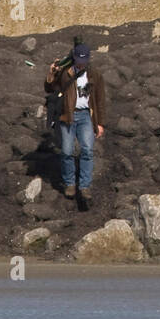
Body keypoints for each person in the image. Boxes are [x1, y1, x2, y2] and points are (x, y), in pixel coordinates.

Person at [44, 40, 106, 201]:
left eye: (84, 61)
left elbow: (100, 99)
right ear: (75, 58)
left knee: (87, 150)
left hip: (86, 116)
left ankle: (84, 186)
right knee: (66, 151)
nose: (81, 64)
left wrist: (100, 123)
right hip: (68, 115)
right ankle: (70, 183)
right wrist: (52, 73)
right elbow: (49, 88)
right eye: (79, 60)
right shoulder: (65, 73)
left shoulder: (95, 74)